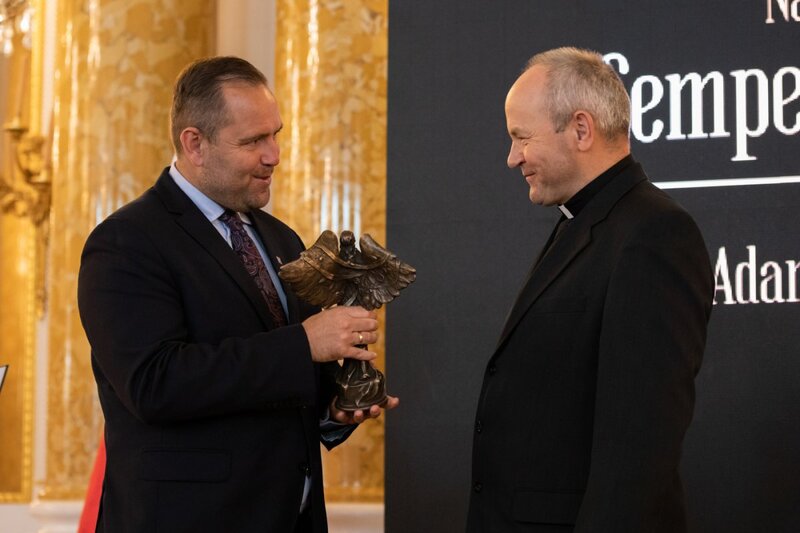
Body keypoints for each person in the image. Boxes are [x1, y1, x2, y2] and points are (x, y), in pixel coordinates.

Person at [77, 56, 397, 533]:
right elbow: (153, 384)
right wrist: (304, 343)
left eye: (276, 135)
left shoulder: (281, 238)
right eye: (253, 141)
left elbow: (284, 381)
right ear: (194, 144)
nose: (274, 155)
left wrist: (333, 410)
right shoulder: (127, 241)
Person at [467, 47, 713, 532]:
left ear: (581, 129)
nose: (512, 158)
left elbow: (639, 450)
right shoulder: (581, 222)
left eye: (521, 137)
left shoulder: (654, 234)